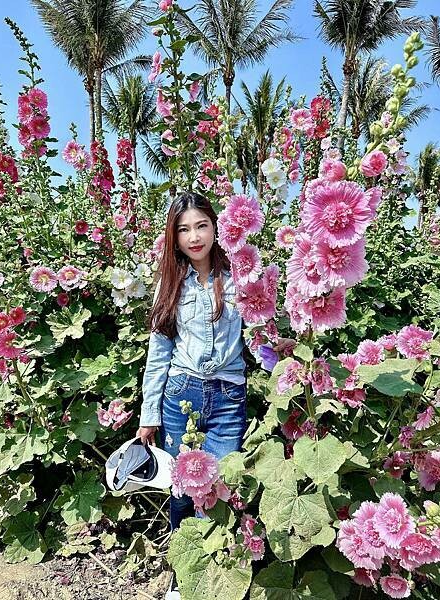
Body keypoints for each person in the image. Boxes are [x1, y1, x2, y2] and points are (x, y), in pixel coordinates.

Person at [136, 192, 291, 599]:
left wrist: (283, 360)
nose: (194, 237)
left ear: (216, 227)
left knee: (220, 488)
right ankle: (182, 578)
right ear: (174, 237)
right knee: (181, 492)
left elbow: (259, 334)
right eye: (184, 229)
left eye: (201, 225)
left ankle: (216, 579)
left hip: (227, 398)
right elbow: (159, 353)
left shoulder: (239, 277)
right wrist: (149, 414)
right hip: (180, 395)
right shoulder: (170, 284)